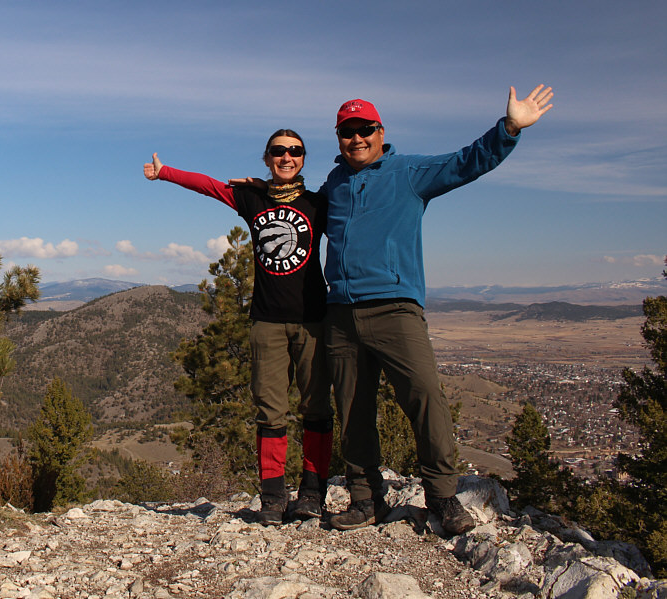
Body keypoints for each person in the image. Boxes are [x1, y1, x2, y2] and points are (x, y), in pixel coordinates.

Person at [321, 85, 554, 534]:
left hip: (395, 308)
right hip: (341, 313)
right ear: (339, 138)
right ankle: (365, 499)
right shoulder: (334, 184)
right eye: (348, 132)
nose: (357, 138)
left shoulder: (409, 172)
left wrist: (509, 128)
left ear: (381, 132)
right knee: (351, 411)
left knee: (426, 398)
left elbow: (466, 162)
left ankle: (443, 498)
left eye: (365, 129)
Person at [143, 130, 334, 525]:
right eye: (279, 151)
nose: (287, 157)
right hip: (266, 322)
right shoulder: (252, 199)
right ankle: (273, 497)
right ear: (267, 158)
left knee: (316, 409)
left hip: (313, 320)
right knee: (270, 412)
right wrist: (166, 173)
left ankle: (313, 493)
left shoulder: (318, 203)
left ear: (303, 158)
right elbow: (210, 187)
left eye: (295, 151)